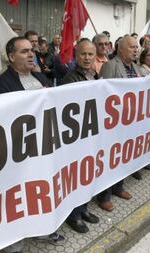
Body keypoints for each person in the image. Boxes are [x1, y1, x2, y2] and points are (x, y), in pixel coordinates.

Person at [0, 37, 65, 250]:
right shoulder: (2, 84)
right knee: (19, 196)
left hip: (46, 146)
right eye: (24, 51)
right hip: (20, 152)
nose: (31, 54)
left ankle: (44, 228)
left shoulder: (40, 77)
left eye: (31, 50)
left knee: (43, 190)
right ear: (11, 57)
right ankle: (14, 241)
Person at [60, 39, 100, 234]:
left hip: (92, 134)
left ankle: (83, 209)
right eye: (83, 54)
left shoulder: (96, 76)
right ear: (76, 56)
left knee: (88, 175)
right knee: (76, 177)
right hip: (77, 137)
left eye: (90, 54)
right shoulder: (69, 79)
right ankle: (73, 216)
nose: (87, 58)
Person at [97, 35, 139, 212]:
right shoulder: (110, 66)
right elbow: (103, 94)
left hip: (129, 121)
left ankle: (118, 187)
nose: (136, 50)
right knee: (110, 159)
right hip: (113, 123)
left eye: (137, 47)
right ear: (120, 49)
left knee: (123, 156)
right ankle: (104, 196)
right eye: (132, 47)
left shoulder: (135, 67)